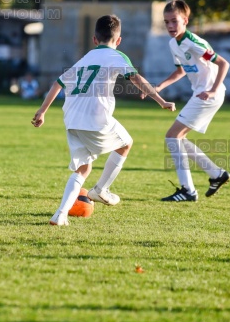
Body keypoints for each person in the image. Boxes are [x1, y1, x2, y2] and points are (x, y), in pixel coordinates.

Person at [31, 15, 175, 226]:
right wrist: (160, 100)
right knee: (126, 144)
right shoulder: (117, 56)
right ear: (118, 41)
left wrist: (42, 111)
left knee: (82, 169)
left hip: (71, 119)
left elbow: (57, 83)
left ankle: (60, 215)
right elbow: (136, 78)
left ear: (94, 39)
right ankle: (100, 190)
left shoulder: (86, 58)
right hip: (95, 118)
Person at [146, 0, 230, 202]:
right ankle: (216, 174)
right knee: (178, 139)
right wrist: (158, 87)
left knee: (172, 137)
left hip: (209, 94)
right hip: (200, 93)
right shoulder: (173, 44)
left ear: (185, 20)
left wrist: (212, 90)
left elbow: (223, 63)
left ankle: (188, 190)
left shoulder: (193, 41)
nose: (170, 26)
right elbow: (180, 71)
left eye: (174, 21)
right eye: (166, 22)